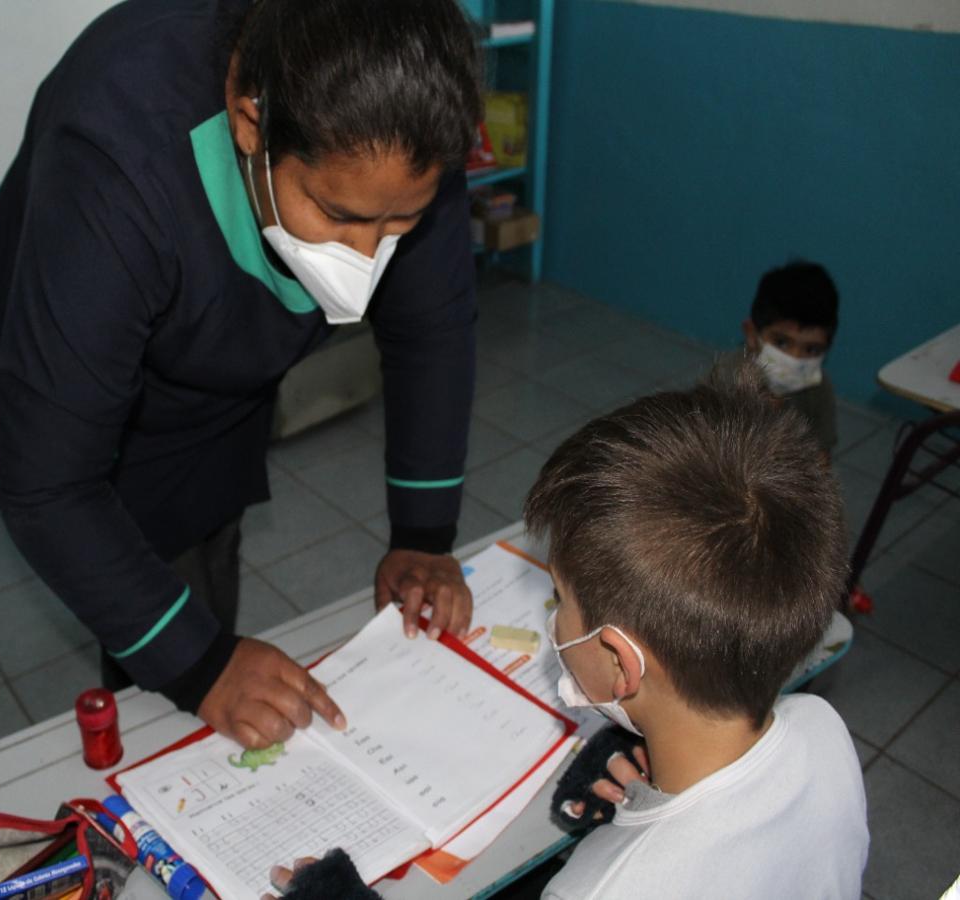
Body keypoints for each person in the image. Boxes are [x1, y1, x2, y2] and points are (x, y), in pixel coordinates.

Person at [0, 0, 482, 750]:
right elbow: (46, 480)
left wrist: (423, 535)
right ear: (250, 122)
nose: (367, 258)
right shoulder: (115, 162)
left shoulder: (409, 114)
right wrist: (199, 664)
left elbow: (432, 331)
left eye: (399, 225)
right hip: (99, 363)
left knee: (211, 528)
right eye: (338, 214)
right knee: (151, 593)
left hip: (220, 348)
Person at [263, 366, 869, 899]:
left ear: (621, 662)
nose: (552, 615)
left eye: (560, 598)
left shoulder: (597, 891)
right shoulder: (823, 730)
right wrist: (655, 772)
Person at [731, 259, 841, 457]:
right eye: (782, 343)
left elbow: (821, 456)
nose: (794, 358)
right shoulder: (726, 379)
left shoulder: (818, 389)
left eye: (811, 349)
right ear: (752, 334)